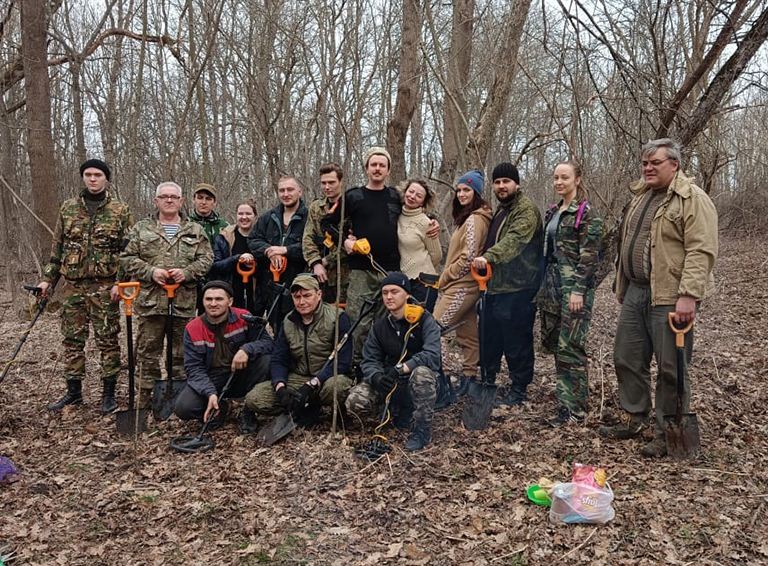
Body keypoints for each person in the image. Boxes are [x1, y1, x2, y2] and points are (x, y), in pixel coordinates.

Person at [600, 138, 718, 457]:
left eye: (655, 163)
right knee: (626, 357)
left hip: (670, 295)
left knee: (671, 367)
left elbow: (701, 250)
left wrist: (689, 296)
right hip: (636, 291)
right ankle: (634, 417)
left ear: (674, 164)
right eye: (644, 163)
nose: (648, 168)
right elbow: (629, 242)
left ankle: (668, 431)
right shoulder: (642, 197)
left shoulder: (691, 198)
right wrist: (622, 286)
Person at [39, 159, 133, 414]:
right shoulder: (68, 209)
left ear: (106, 179)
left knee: (107, 340)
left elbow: (127, 252)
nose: (93, 179)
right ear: (83, 178)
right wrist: (48, 279)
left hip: (105, 288)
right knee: (72, 339)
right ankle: (73, 392)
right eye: (88, 175)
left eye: (98, 175)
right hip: (73, 286)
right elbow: (57, 249)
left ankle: (108, 394)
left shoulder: (120, 210)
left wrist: (120, 283)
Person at [120, 181, 213, 408]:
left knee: (181, 355)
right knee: (147, 354)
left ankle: (178, 401)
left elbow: (207, 258)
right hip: (150, 303)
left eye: (174, 197)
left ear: (181, 201)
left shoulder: (195, 230)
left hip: (183, 303)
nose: (169, 200)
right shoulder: (141, 229)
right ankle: (144, 402)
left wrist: (188, 273)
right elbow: (126, 258)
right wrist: (151, 272)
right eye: (164, 196)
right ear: (156, 201)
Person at [472, 162, 544, 406]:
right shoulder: (500, 210)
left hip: (519, 288)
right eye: (498, 182)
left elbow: (514, 241)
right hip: (495, 287)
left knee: (517, 341)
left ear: (517, 184)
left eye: (506, 181)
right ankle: (488, 381)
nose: (501, 186)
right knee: (490, 337)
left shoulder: (525, 210)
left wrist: (488, 257)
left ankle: (519, 388)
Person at [346, 272, 441, 451]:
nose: (389, 297)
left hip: (416, 380)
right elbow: (369, 359)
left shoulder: (425, 320)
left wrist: (402, 368)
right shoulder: (380, 326)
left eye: (395, 292)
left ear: (407, 294)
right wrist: (377, 378)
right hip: (390, 382)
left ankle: (421, 430)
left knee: (421, 374)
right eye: (385, 292)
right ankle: (391, 412)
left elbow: (432, 354)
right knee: (354, 402)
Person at [538, 162, 602, 425]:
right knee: (556, 346)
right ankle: (564, 406)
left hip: (575, 289)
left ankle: (576, 411)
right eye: (555, 178)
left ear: (577, 180)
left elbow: (590, 257)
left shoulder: (587, 213)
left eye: (565, 177)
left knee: (571, 347)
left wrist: (578, 291)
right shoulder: (554, 211)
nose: (559, 182)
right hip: (551, 285)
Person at [245, 274, 354, 425]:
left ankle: (324, 407)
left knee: (337, 387)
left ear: (319, 294)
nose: (302, 302)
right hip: (299, 377)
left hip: (328, 377)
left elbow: (343, 361)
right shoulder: (288, 321)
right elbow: (279, 358)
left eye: (307, 296)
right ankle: (305, 408)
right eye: (297, 297)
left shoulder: (337, 317)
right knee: (254, 398)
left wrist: (313, 384)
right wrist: (280, 386)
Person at [175, 281, 273, 434]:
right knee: (184, 407)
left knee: (266, 361)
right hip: (213, 378)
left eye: (219, 299)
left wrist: (247, 349)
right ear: (203, 301)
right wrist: (210, 393)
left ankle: (249, 409)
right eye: (209, 299)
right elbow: (193, 369)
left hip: (241, 373)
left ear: (230, 301)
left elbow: (268, 344)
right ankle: (219, 406)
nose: (213, 303)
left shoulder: (244, 317)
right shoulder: (192, 328)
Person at [433, 170, 492, 390]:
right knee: (467, 334)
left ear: (476, 192)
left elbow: (469, 257)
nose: (461, 194)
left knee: (434, 329)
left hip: (462, 286)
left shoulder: (474, 219)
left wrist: (445, 276)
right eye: (458, 190)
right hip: (464, 286)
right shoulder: (468, 217)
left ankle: (443, 379)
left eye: (467, 189)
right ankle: (468, 379)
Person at [248, 176, 308, 335]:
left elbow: (313, 245)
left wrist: (286, 250)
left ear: (299, 192)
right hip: (269, 285)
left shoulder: (308, 218)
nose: (286, 194)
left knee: (296, 329)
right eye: (282, 190)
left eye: (290, 190)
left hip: (297, 283)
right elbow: (253, 240)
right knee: (274, 329)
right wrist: (268, 250)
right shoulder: (268, 217)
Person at [302, 162, 350, 304]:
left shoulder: (351, 206)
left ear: (341, 182)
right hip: (319, 276)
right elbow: (307, 238)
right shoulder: (316, 207)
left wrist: (327, 261)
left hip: (345, 275)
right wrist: (316, 262)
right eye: (323, 183)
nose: (327, 187)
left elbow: (351, 243)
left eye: (331, 182)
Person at [398, 178, 442, 311]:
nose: (412, 197)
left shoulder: (426, 223)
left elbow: (437, 255)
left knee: (420, 324)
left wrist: (420, 266)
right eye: (410, 192)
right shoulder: (396, 214)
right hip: (402, 280)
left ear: (423, 201)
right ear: (405, 191)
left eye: (419, 196)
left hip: (424, 281)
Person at [211, 200, 259, 312]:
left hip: (256, 294)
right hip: (231, 291)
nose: (244, 217)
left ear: (255, 216)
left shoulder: (262, 237)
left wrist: (253, 264)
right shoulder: (224, 237)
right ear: (236, 215)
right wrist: (237, 259)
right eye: (240, 214)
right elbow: (215, 265)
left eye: (248, 214)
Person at [189, 183, 229, 314]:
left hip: (216, 281)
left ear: (215, 202)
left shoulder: (224, 227)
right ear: (194, 199)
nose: (203, 202)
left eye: (208, 199)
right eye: (200, 198)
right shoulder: (185, 224)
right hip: (190, 281)